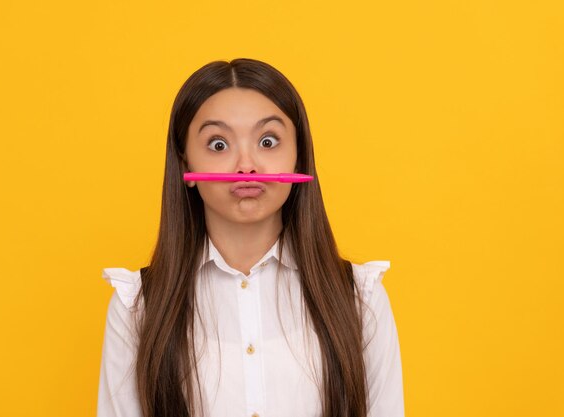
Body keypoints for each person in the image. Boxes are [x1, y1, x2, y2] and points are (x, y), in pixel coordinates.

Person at [97, 58, 404, 417]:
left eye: (268, 141)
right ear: (186, 168)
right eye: (218, 145)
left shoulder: (360, 299)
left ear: (298, 159)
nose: (246, 165)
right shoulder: (137, 308)